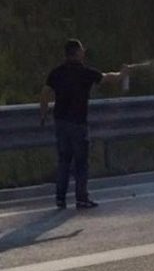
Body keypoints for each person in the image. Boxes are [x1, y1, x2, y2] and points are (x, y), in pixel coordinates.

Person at [40, 39, 131, 209]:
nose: (84, 52)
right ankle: (81, 198)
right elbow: (106, 78)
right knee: (81, 162)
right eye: (82, 50)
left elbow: (45, 93)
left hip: (60, 122)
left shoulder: (56, 72)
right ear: (77, 53)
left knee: (64, 161)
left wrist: (43, 114)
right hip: (78, 123)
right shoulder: (85, 72)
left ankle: (60, 198)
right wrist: (121, 75)